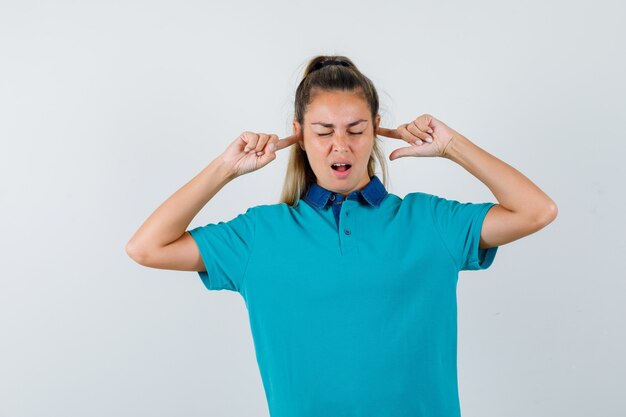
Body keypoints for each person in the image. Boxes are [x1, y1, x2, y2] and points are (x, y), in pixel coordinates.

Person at [126, 55, 558, 417]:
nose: (341, 146)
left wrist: (450, 145)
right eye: (323, 131)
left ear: (376, 131)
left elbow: (537, 210)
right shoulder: (261, 235)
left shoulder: (429, 222)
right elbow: (146, 247)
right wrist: (225, 167)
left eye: (355, 130)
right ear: (298, 134)